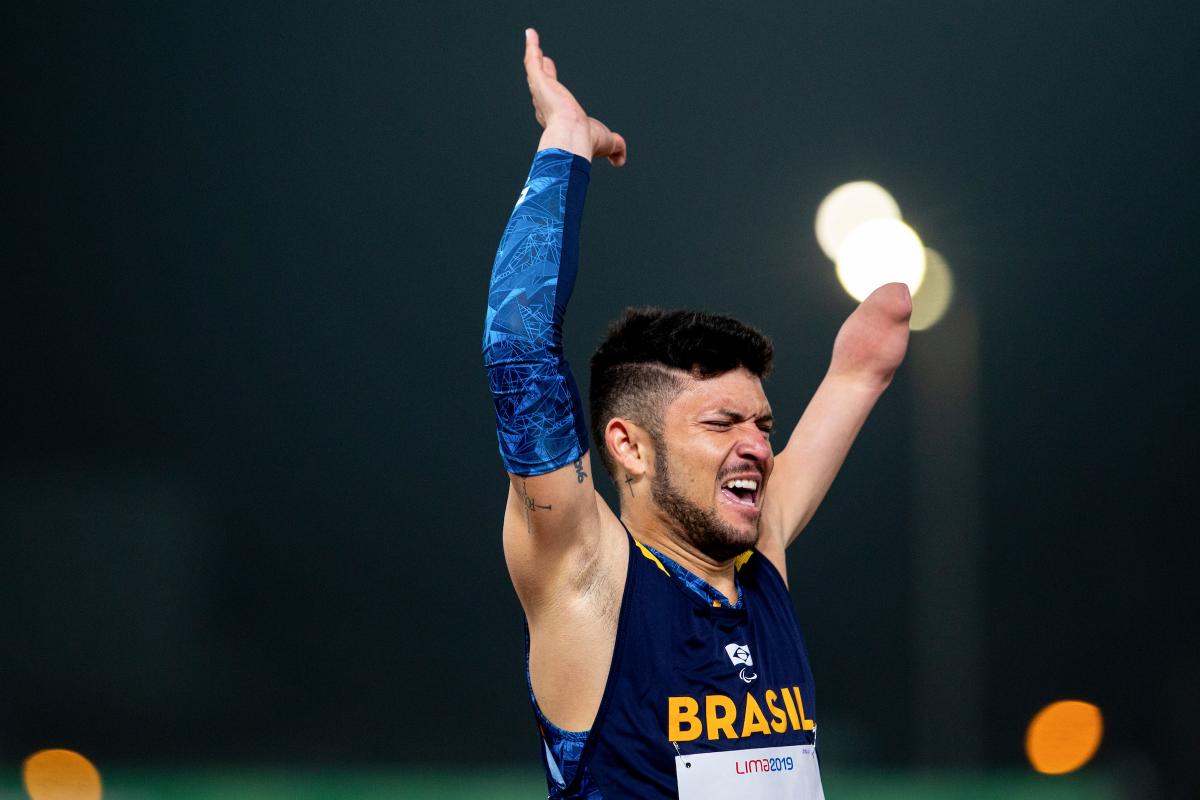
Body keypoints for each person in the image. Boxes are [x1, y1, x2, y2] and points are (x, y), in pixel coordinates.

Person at [482, 28, 911, 799]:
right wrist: (566, 146)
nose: (757, 447)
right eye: (722, 424)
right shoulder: (587, 577)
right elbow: (517, 349)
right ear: (630, 446)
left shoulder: (757, 560)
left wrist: (864, 368)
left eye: (763, 426)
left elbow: (851, 382)